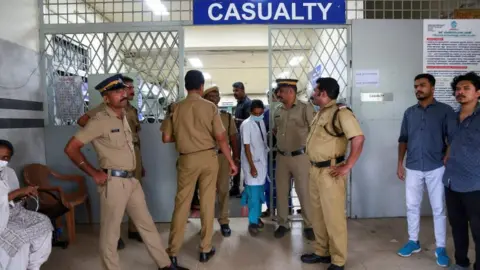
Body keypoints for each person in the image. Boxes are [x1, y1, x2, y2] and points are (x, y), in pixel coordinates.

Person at [64, 74, 181, 270]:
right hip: (114, 183)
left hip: (131, 181)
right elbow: (71, 148)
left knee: (147, 225)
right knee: (111, 235)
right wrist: (93, 172)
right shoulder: (99, 121)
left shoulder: (125, 116)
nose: (122, 94)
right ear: (106, 98)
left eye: (123, 90)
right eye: (116, 92)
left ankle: (165, 265)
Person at [160, 70, 238, 265]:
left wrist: (187, 137)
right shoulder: (210, 107)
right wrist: (230, 161)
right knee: (207, 202)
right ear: (201, 86)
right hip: (208, 158)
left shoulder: (176, 108)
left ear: (186, 86)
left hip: (187, 160)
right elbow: (221, 138)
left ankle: (173, 252)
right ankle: (205, 249)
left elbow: (166, 138)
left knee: (182, 204)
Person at [301, 77, 365, 270]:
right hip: (314, 170)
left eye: (315, 90)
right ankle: (321, 252)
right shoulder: (321, 113)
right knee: (317, 215)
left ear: (324, 93)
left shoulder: (341, 113)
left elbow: (358, 139)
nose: (312, 94)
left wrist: (347, 166)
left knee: (334, 218)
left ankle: (338, 259)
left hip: (331, 173)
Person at [77, 75, 144, 249]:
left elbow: (136, 135)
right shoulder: (104, 110)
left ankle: (134, 229)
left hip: (133, 154)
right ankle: (115, 236)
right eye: (126, 88)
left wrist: (140, 163)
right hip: (114, 157)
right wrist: (99, 137)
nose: (129, 91)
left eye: (129, 88)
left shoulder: (132, 110)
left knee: (134, 197)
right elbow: (82, 121)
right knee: (115, 202)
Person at [396, 74, 452, 267]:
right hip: (413, 166)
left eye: (422, 85)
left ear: (432, 88)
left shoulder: (445, 111)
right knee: (412, 206)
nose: (418, 89)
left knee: (438, 209)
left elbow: (452, 138)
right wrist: (399, 163)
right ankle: (413, 242)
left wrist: (447, 157)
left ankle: (441, 247)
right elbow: (403, 138)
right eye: (415, 86)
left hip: (436, 166)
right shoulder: (409, 112)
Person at [443, 71, 480, 270]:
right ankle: (461, 263)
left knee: (478, 230)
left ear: (478, 93)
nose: (461, 92)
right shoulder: (452, 117)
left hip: (476, 183)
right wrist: (447, 154)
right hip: (451, 181)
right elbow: (451, 141)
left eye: (466, 88)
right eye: (458, 89)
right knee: (457, 227)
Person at [272, 78, 315, 240]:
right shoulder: (278, 110)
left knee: (303, 192)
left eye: (281, 91)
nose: (278, 94)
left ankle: (309, 225)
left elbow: (314, 131)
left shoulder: (305, 108)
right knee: (282, 192)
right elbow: (276, 130)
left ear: (291, 92)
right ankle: (283, 223)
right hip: (282, 157)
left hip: (301, 157)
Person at [0, 139, 53, 270]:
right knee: (20, 240)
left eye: (5, 157)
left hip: (12, 213)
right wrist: (18, 192)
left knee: (44, 223)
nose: (1, 160)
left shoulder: (9, 172)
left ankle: (34, 266)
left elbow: (13, 199)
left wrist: (23, 195)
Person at [202, 86, 240, 237]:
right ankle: (206, 223)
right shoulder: (200, 116)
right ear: (204, 98)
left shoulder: (226, 117)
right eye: (210, 96)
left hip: (222, 157)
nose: (213, 98)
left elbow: (232, 139)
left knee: (224, 189)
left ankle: (224, 221)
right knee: (206, 191)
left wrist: (235, 158)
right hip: (205, 156)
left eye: (216, 96)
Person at [239, 100, 268, 235]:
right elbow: (246, 147)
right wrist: (251, 166)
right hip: (252, 164)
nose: (259, 115)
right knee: (253, 195)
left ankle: (256, 217)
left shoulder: (260, 121)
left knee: (259, 192)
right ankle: (252, 222)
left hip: (261, 162)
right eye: (256, 113)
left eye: (261, 113)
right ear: (250, 112)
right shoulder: (247, 124)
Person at [231, 82, 251, 197]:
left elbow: (249, 121)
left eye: (237, 90)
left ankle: (246, 188)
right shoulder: (239, 103)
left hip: (245, 137)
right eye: (233, 91)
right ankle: (235, 187)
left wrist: (235, 120)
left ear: (243, 90)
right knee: (237, 160)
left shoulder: (248, 103)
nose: (235, 93)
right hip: (238, 136)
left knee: (245, 162)